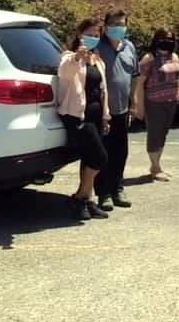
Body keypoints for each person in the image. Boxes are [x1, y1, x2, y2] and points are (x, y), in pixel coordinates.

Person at [57, 17, 111, 220]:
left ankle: (86, 200)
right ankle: (79, 197)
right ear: (80, 35)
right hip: (78, 116)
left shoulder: (97, 60)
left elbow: (103, 90)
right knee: (100, 157)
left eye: (96, 35)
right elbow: (64, 73)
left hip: (97, 116)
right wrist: (77, 57)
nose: (92, 38)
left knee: (89, 158)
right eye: (89, 35)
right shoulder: (69, 57)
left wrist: (106, 116)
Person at [95, 9, 139, 211]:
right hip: (102, 111)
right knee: (102, 153)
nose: (118, 28)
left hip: (122, 110)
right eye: (113, 24)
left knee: (120, 152)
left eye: (121, 24)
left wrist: (134, 101)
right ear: (105, 26)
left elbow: (135, 76)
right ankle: (103, 193)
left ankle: (117, 188)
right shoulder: (96, 47)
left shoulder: (129, 47)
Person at [134, 28, 179, 181]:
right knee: (154, 134)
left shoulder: (174, 57)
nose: (168, 41)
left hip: (172, 101)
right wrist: (138, 106)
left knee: (163, 134)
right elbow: (139, 84)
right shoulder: (149, 58)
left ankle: (157, 165)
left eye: (171, 38)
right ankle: (155, 167)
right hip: (154, 103)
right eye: (165, 38)